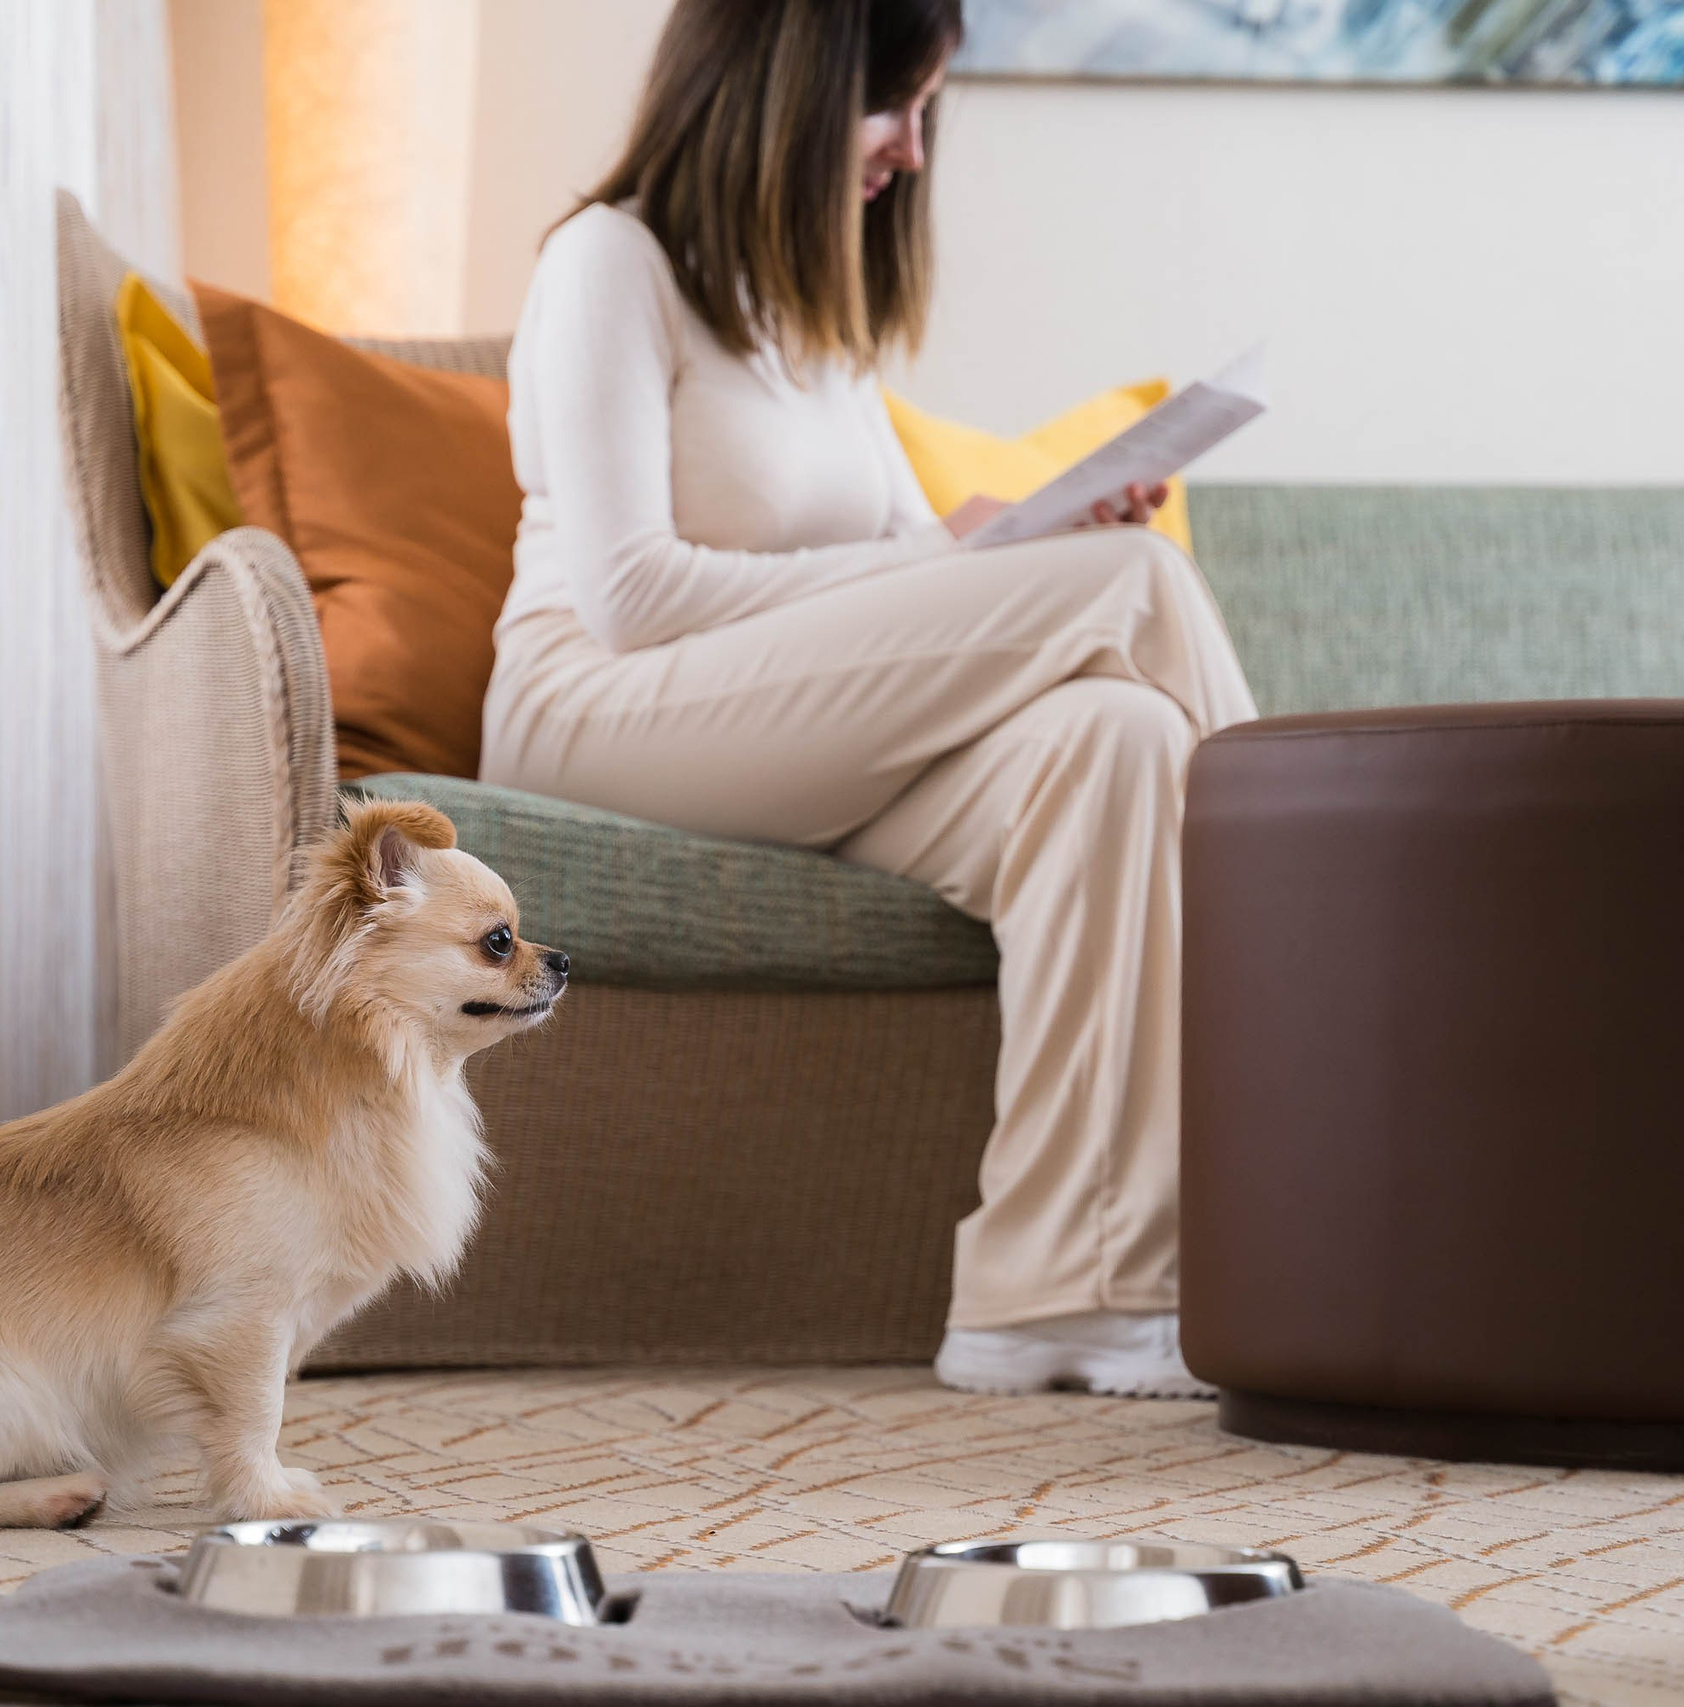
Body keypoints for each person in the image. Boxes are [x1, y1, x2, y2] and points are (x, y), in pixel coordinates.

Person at [482, 0, 1257, 1397]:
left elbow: (909, 571)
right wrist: (996, 569)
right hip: (597, 714)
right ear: (783, 82)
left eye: (926, 111)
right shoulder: (609, 262)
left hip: (784, 728)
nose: (909, 147)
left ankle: (1059, 1293)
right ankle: (1314, 1029)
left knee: (1116, 740)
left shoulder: (817, 321)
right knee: (1136, 587)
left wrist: (1021, 541)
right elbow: (632, 596)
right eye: (890, 103)